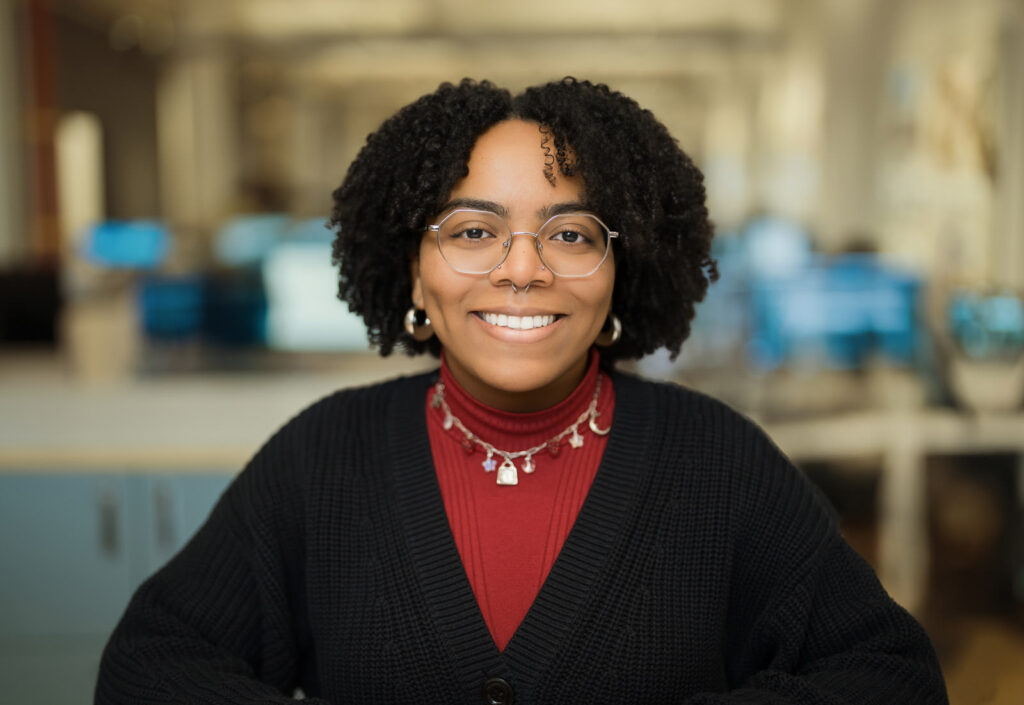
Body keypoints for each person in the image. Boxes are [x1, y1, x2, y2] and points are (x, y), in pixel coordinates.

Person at [96, 77, 948, 704]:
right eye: (473, 230)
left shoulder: (719, 462)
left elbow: (892, 676)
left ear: (621, 274)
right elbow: (149, 664)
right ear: (415, 279)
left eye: (571, 233)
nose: (522, 269)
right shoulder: (323, 458)